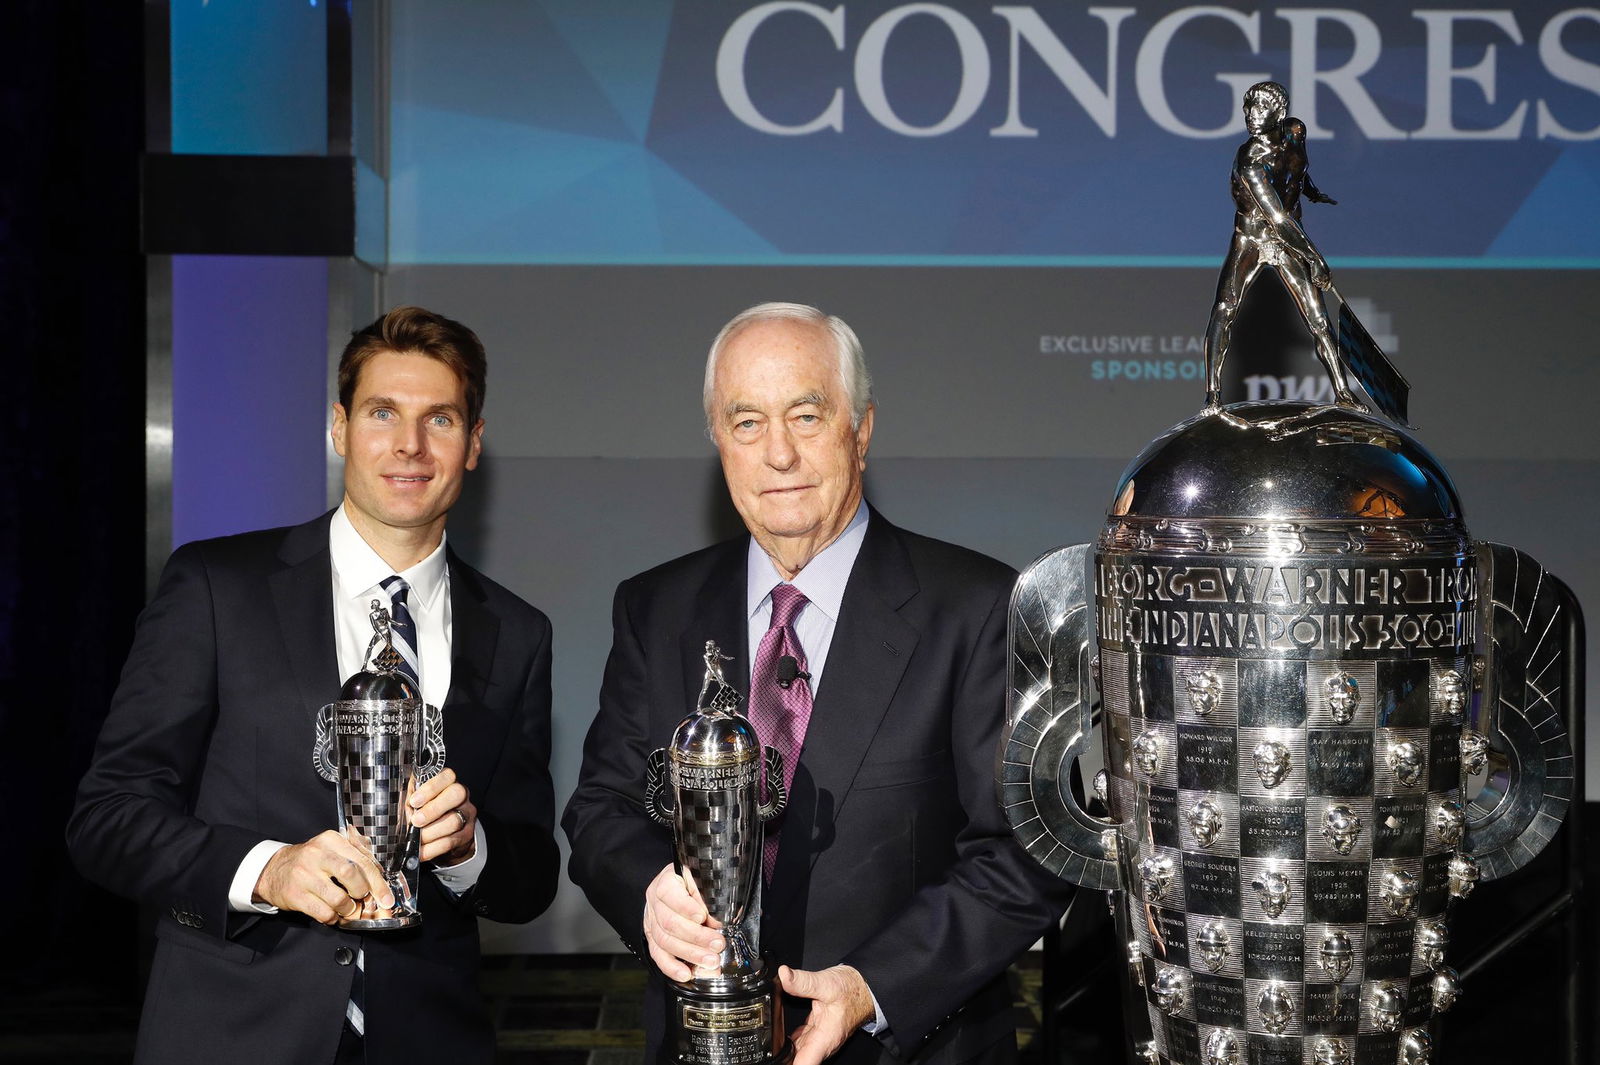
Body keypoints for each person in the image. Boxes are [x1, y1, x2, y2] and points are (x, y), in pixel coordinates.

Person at [563, 302, 1069, 1065]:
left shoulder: (976, 606)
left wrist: (874, 986)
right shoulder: (655, 608)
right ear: (718, 443)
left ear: (860, 428)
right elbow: (601, 809)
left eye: (805, 415)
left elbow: (1025, 853)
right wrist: (649, 896)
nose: (778, 455)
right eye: (746, 423)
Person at [69, 306, 560, 1064]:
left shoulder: (519, 632)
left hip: (430, 1039)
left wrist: (469, 846)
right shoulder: (216, 587)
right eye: (382, 412)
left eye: (441, 419)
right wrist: (269, 869)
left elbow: (529, 878)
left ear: (473, 445)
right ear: (339, 428)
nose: (410, 445)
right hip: (229, 1033)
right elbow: (108, 816)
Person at [1203, 80, 1354, 409]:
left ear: (1279, 112)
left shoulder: (1295, 132)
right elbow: (1278, 219)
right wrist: (1315, 258)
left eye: (1257, 107)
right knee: (1225, 309)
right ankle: (1213, 397)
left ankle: (1343, 392)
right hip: (1253, 236)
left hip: (1288, 235)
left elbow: (1297, 171)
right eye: (1247, 107)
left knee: (1318, 318)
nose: (1249, 115)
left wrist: (1312, 193)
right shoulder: (1249, 160)